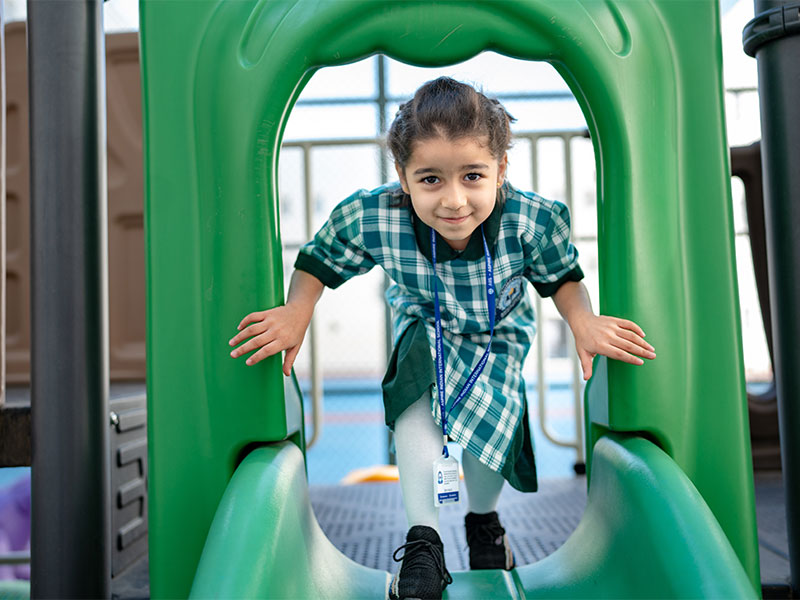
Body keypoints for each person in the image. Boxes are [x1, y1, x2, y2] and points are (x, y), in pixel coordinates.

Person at [228, 76, 656, 600]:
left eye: (472, 176)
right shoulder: (376, 215)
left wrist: (582, 321)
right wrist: (298, 311)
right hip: (424, 320)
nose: (454, 200)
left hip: (499, 335)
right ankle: (424, 543)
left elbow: (562, 278)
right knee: (416, 397)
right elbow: (320, 259)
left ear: (501, 170)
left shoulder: (531, 220)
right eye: (430, 179)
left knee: (489, 436)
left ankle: (483, 524)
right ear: (403, 178)